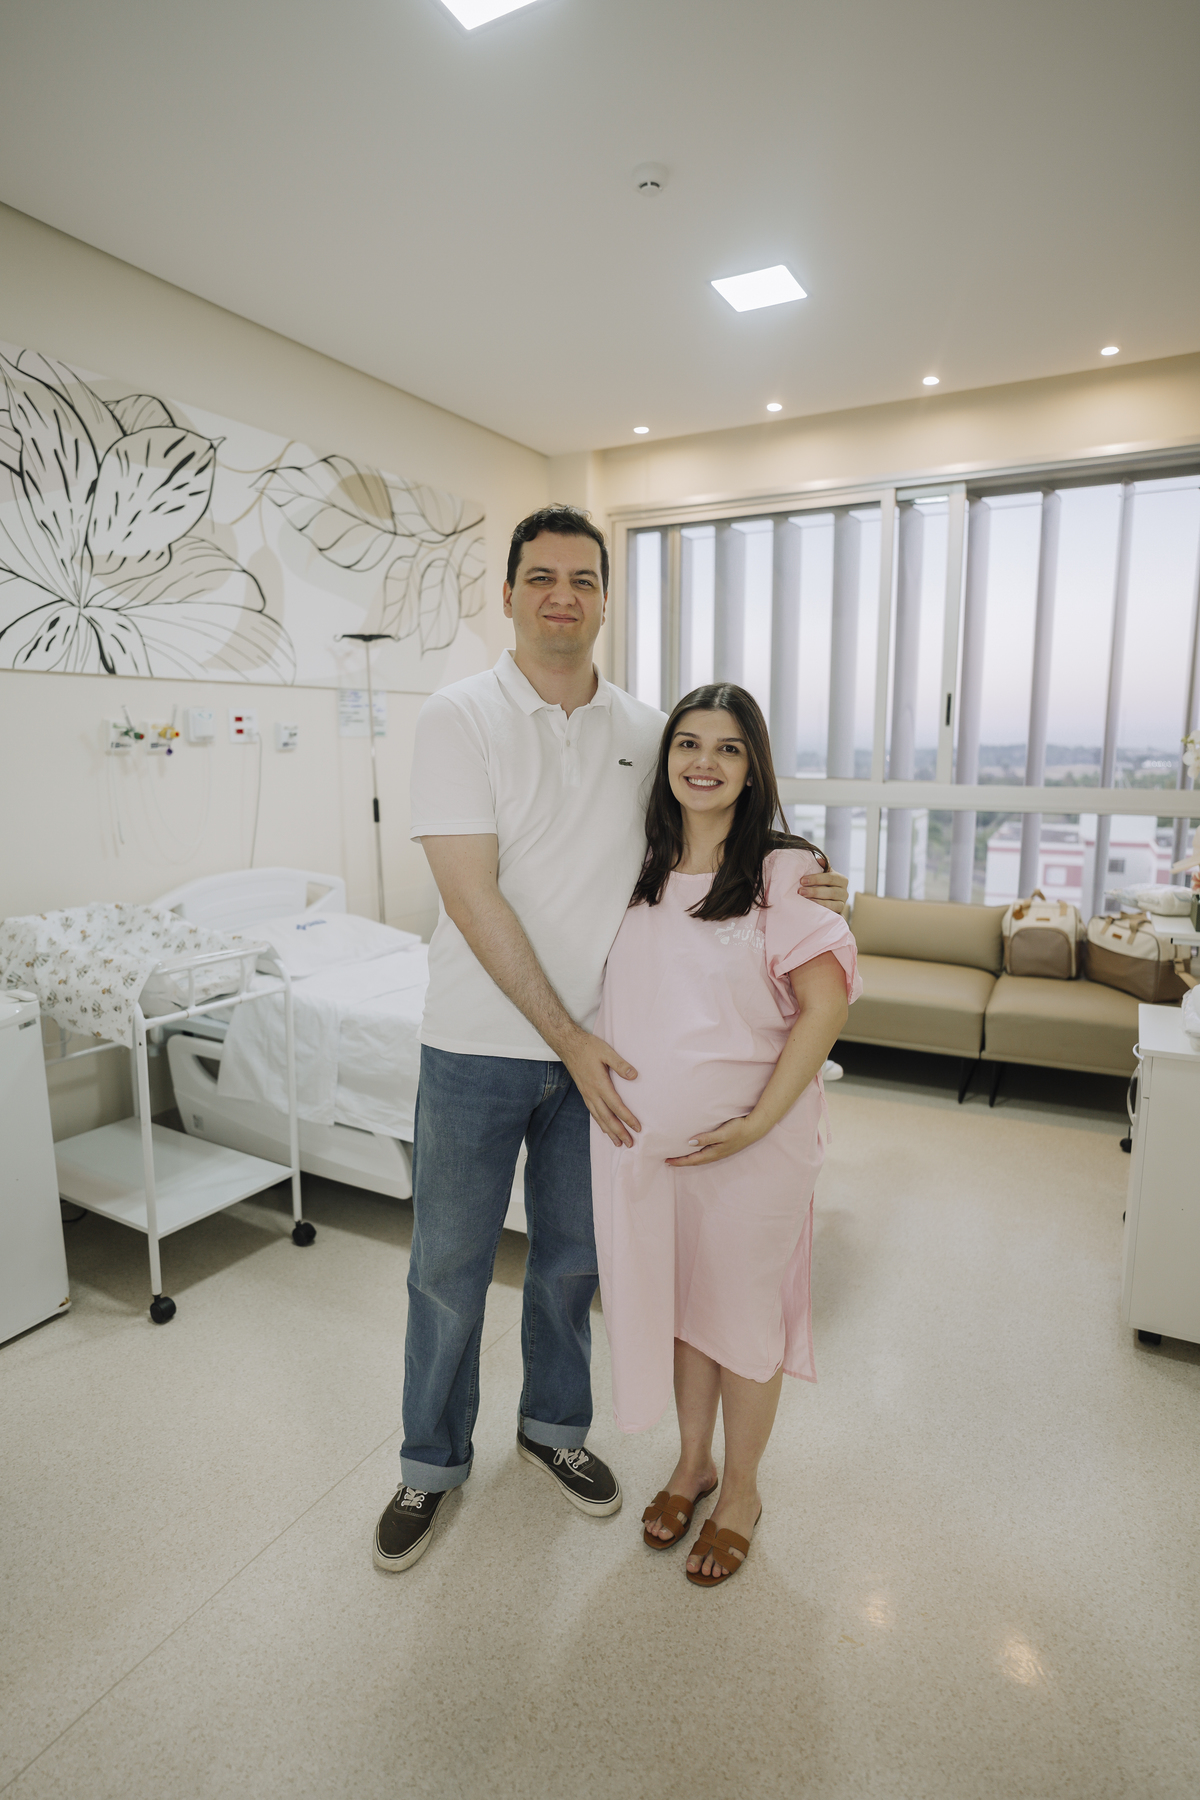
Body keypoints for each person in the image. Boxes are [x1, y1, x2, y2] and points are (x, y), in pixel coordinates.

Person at [374, 507, 850, 1573]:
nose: (563, 596)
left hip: (603, 1062)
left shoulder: (646, 729)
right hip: (480, 1044)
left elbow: (715, 827)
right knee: (448, 1269)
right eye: (541, 577)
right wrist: (567, 1035)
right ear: (507, 594)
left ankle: (554, 1430)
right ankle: (430, 1464)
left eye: (584, 579)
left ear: (604, 600)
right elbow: (470, 893)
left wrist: (814, 881)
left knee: (571, 1264)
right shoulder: (457, 717)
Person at [590, 683, 860, 1586]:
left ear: (753, 769)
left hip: (757, 1152)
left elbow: (825, 1008)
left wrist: (756, 1125)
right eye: (688, 744)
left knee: (742, 1322)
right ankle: (691, 1464)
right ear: (665, 758)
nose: (704, 762)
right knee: (685, 1314)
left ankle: (741, 1492)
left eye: (729, 748)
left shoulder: (784, 871)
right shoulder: (638, 866)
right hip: (657, 1155)